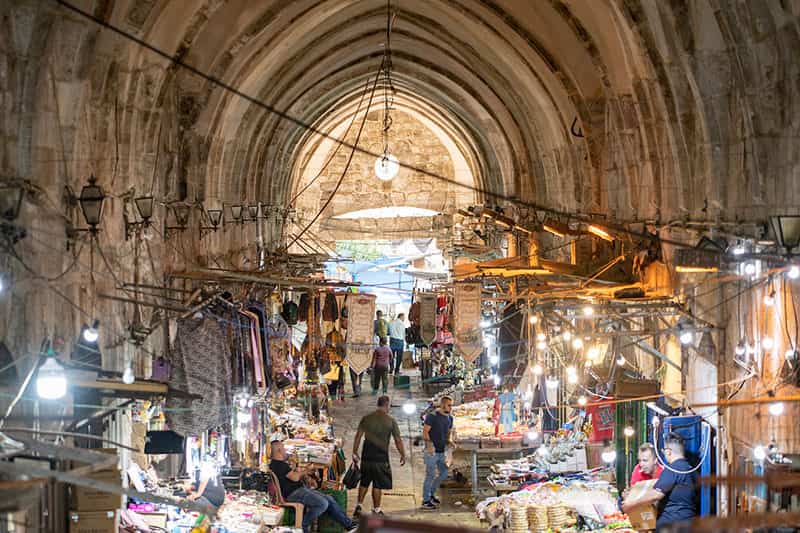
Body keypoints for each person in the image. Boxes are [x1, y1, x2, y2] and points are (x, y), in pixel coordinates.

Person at [269, 440, 357, 533]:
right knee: (323, 503)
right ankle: (304, 524)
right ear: (279, 450)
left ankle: (349, 525)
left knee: (329, 499)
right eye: (283, 448)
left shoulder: (278, 464)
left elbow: (291, 475)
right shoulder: (279, 465)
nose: (285, 451)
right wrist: (306, 471)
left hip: (299, 489)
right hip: (293, 493)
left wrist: (301, 471)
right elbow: (294, 478)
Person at [623, 434, 697, 531]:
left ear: (668, 452)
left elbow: (655, 494)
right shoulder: (690, 469)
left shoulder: (673, 469)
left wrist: (632, 503)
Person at [352, 395, 406, 518]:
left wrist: (355, 452)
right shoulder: (390, 421)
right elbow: (398, 440)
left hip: (366, 456)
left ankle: (359, 506)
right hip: (381, 458)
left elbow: (358, 436)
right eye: (389, 406)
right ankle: (376, 510)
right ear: (386, 405)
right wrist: (402, 454)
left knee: (364, 482)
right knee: (377, 484)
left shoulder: (366, 418)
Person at [421, 395, 454, 510]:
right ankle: (425, 500)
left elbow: (448, 432)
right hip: (432, 451)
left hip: (441, 451)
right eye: (449, 405)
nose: (451, 408)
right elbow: (425, 432)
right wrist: (429, 445)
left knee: (444, 473)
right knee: (430, 475)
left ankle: (431, 494)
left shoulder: (450, 418)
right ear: (443, 405)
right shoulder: (432, 416)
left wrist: (449, 442)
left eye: (451, 405)